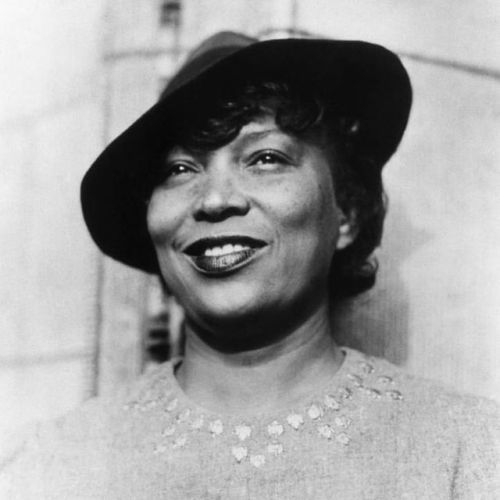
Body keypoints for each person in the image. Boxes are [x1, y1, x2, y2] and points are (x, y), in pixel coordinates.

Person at [1, 31, 499, 499]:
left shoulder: (466, 452)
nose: (215, 199)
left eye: (265, 158)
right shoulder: (49, 467)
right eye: (180, 169)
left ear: (346, 211)